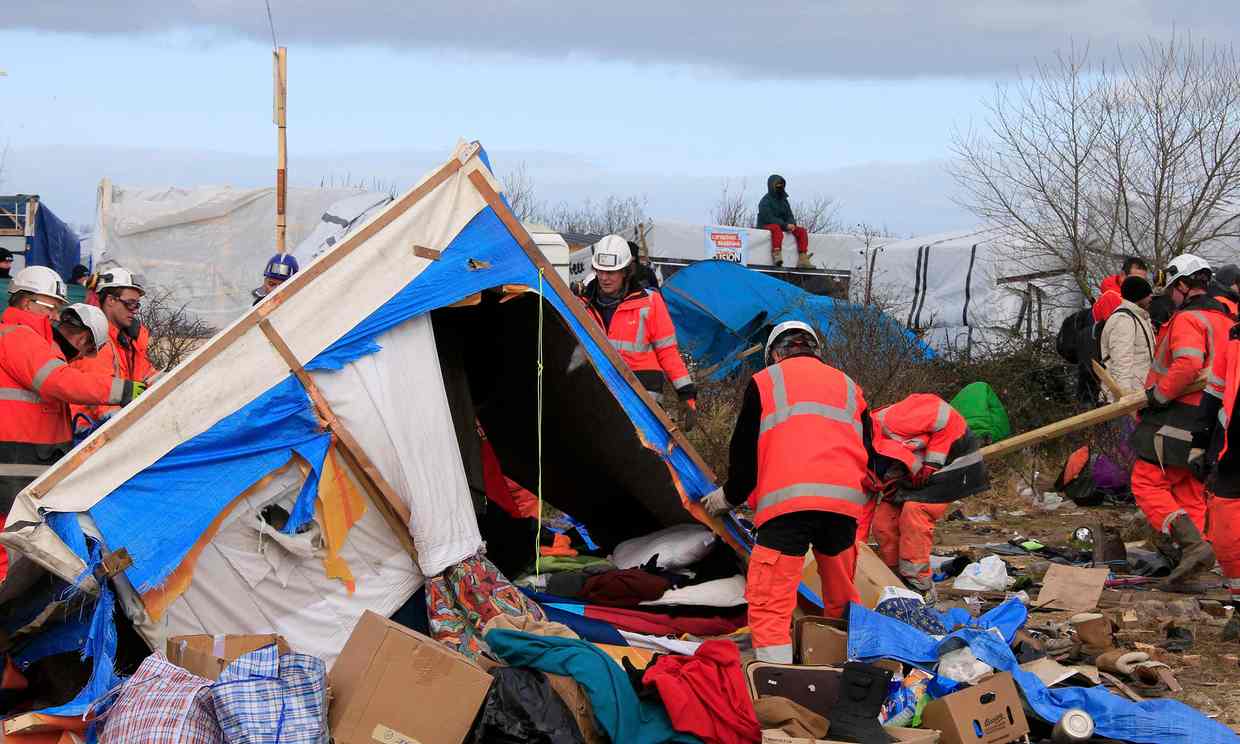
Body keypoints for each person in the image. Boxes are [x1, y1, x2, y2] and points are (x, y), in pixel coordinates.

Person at [701, 321, 874, 660]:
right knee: (841, 596)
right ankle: (843, 665)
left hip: (787, 508)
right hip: (842, 509)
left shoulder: (765, 382)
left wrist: (728, 497)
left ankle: (777, 683)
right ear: (815, 351)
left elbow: (745, 456)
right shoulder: (850, 386)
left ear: (775, 354)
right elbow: (869, 452)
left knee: (771, 604)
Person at [1, 267, 145, 578]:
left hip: (22, 466)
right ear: (27, 303)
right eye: (52, 307)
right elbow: (58, 382)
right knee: (6, 555)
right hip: (12, 465)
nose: (56, 316)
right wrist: (123, 392)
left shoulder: (32, 341)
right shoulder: (19, 336)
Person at [1130, 254, 1232, 591]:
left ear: (1184, 285)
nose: (1171, 295)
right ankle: (1197, 563)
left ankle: (1192, 546)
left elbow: (1188, 364)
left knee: (1146, 481)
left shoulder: (1188, 319)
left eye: (1173, 287)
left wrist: (1158, 396)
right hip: (1211, 418)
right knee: (1189, 487)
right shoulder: (1226, 319)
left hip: (1178, 415)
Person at [868, 393, 989, 592]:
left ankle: (920, 587)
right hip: (915, 475)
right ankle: (894, 582)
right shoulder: (860, 449)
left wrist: (933, 460)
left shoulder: (892, 420)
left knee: (915, 511)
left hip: (956, 464)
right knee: (883, 521)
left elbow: (944, 415)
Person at [581, 235, 696, 422]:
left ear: (626, 271)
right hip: (599, 401)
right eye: (600, 271)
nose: (604, 277)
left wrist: (686, 392)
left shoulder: (650, 303)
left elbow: (667, 352)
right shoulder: (581, 305)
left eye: (611, 272)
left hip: (643, 406)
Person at [69, 267, 156, 424]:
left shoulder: (130, 340)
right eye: (130, 304)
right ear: (110, 300)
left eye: (137, 305)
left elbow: (147, 375)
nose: (135, 310)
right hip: (90, 432)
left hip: (113, 425)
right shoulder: (94, 339)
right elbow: (100, 400)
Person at [1099, 276, 1155, 402]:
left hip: (1139, 394)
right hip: (1126, 400)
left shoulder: (1139, 317)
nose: (1151, 297)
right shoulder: (1124, 320)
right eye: (1147, 294)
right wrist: (1126, 399)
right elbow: (1121, 362)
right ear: (1138, 296)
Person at [756, 175, 812, 270]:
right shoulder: (765, 201)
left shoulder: (784, 201)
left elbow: (789, 214)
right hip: (766, 225)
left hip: (783, 225)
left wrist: (792, 224)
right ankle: (777, 254)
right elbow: (769, 218)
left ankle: (803, 258)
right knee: (776, 228)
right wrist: (785, 225)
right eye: (777, 184)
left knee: (802, 231)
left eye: (781, 184)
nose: (779, 186)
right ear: (771, 185)